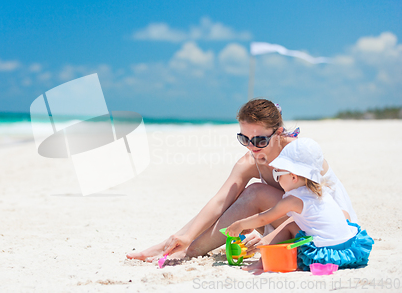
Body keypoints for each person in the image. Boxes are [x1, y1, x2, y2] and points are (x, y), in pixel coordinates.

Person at [126, 99, 358, 264]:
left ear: (278, 132)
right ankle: (175, 244)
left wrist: (269, 234)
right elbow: (221, 200)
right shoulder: (251, 160)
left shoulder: (301, 155)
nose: (251, 147)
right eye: (244, 139)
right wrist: (184, 233)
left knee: (255, 191)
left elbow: (330, 208)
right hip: (296, 219)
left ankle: (189, 251)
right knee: (242, 194)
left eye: (259, 140)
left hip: (330, 226)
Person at [226, 138, 373, 270]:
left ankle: (263, 260)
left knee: (289, 227)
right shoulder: (320, 191)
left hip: (325, 255)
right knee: (327, 218)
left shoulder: (292, 200)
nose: (277, 179)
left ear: (294, 177)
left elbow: (265, 218)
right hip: (349, 248)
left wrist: (240, 225)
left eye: (278, 175)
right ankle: (264, 248)